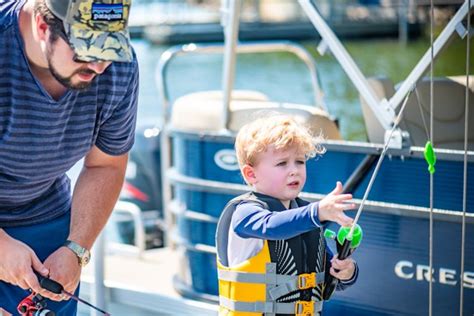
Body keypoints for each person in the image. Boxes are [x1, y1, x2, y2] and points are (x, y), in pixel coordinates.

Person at [0, 0, 138, 314]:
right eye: (86, 51)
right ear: (42, 26)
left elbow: (105, 164)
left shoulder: (119, 69)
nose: (100, 67)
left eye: (110, 49)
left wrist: (75, 248)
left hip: (47, 223)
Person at [215, 114, 358, 315]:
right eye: (282, 163)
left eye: (300, 161)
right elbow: (271, 226)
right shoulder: (245, 213)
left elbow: (325, 281)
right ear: (251, 174)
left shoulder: (306, 217)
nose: (294, 171)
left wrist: (344, 271)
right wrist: (317, 212)